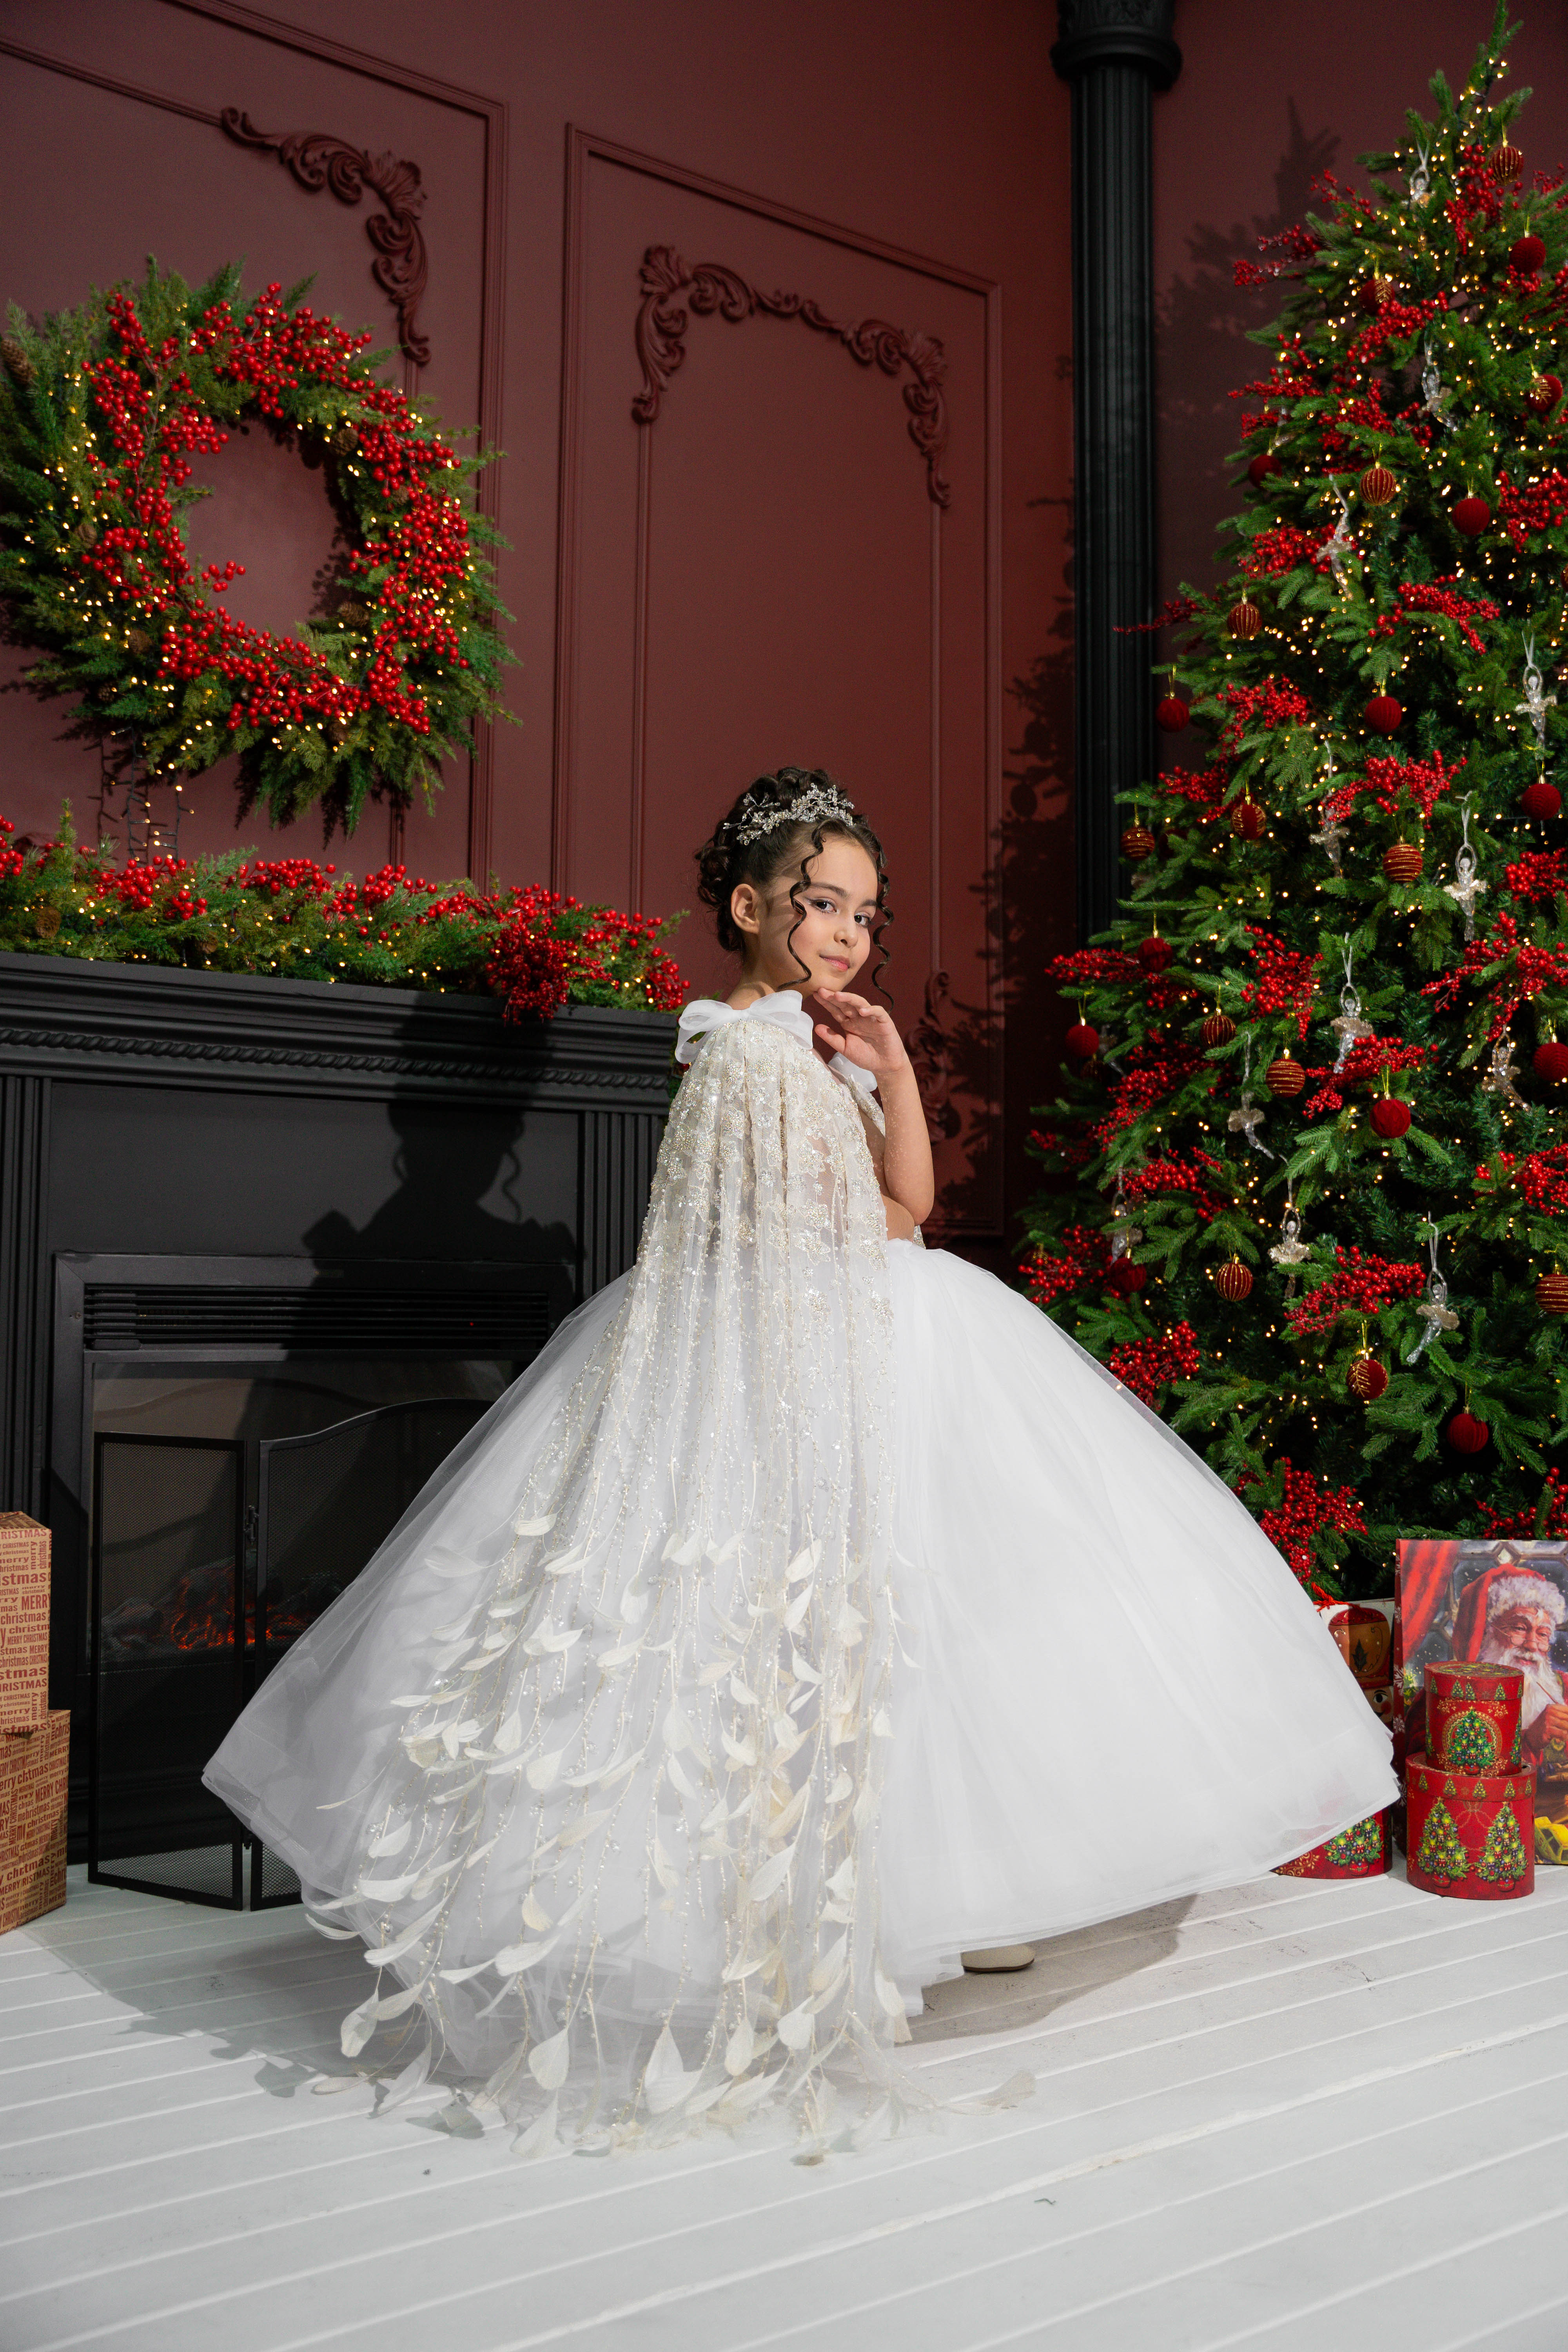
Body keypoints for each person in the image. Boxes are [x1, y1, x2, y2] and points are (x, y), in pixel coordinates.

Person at [205, 768, 1397, 2152]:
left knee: (934, 1609)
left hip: (862, 1313)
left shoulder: (822, 1046)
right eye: (820, 904)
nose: (846, 933)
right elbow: (785, 1242)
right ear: (749, 906)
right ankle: (831, 1911)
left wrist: (890, 1065)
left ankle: (963, 1897)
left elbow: (908, 1205)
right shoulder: (747, 1050)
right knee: (798, 1618)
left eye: (867, 913)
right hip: (794, 1343)